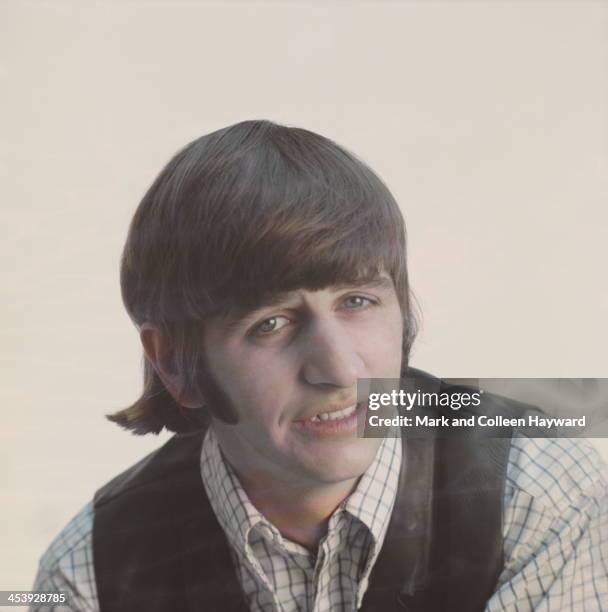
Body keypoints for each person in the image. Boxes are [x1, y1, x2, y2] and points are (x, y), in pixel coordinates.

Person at [31, 120, 607, 611]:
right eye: (271, 323)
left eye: (357, 302)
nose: (336, 369)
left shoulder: (543, 492)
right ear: (175, 364)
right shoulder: (90, 576)